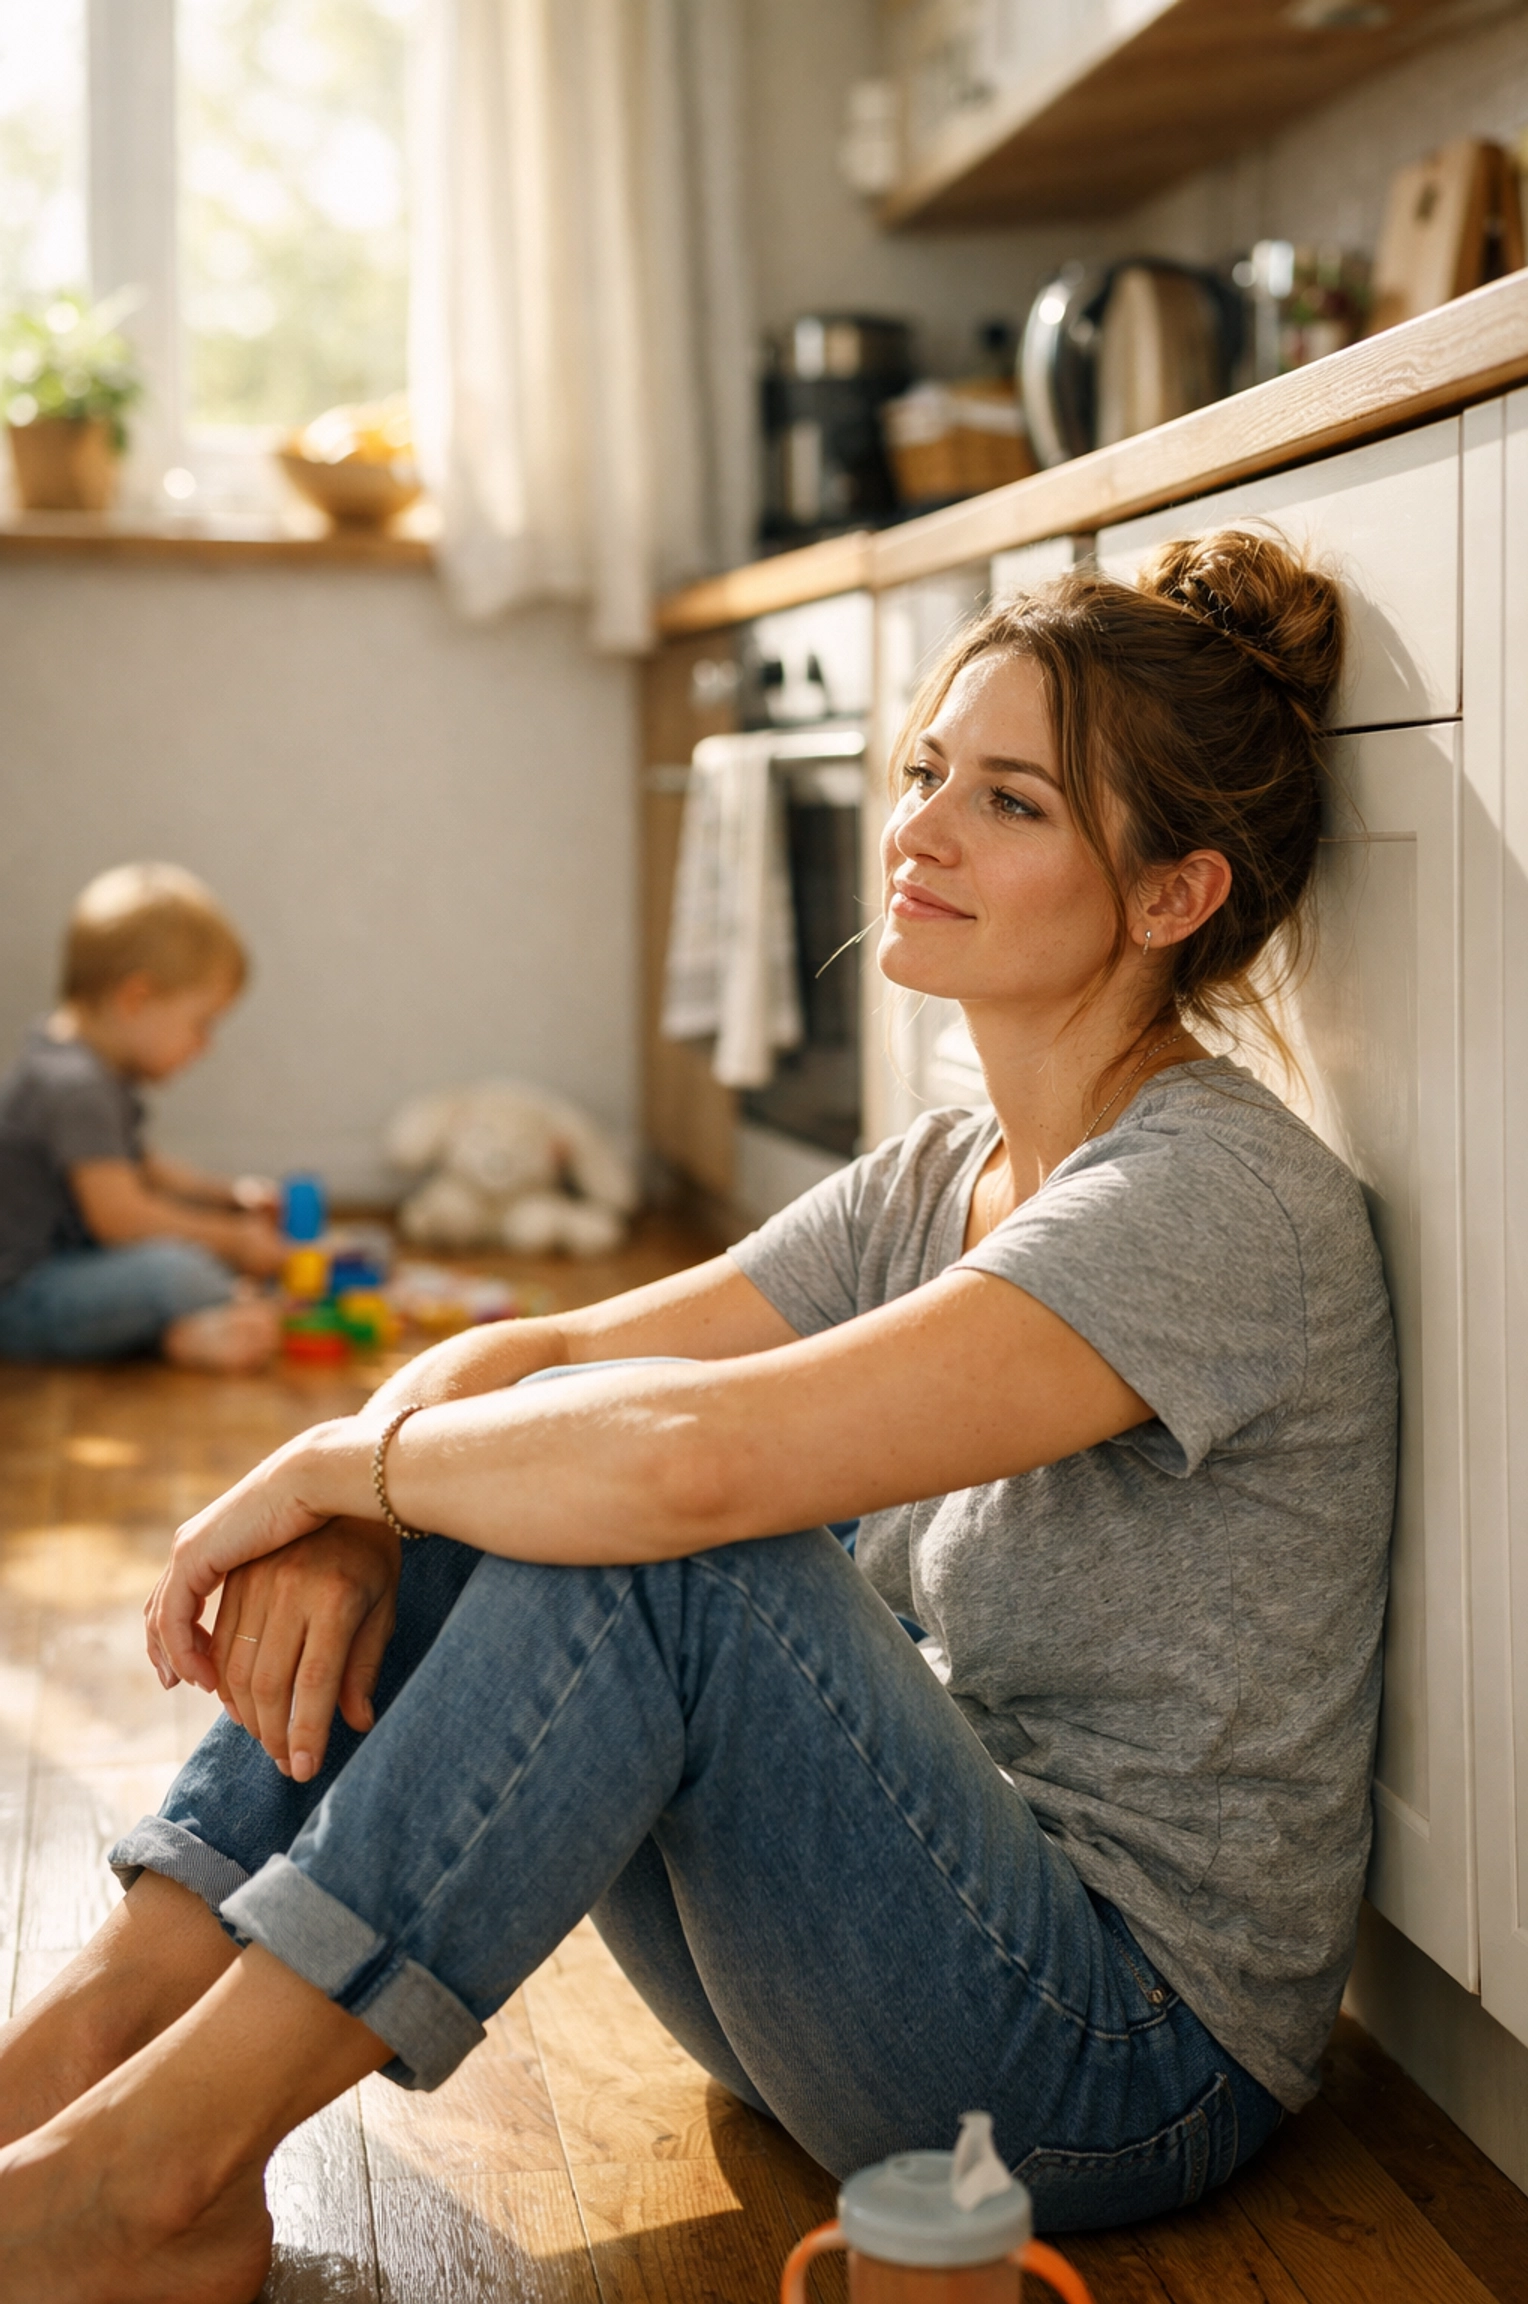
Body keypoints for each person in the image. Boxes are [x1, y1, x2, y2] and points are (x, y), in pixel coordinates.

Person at [0, 531, 1397, 2303]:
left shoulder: (1213, 1202)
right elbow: (548, 1349)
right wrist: (368, 1507)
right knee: (522, 1471)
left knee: (668, 1539)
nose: (920, 828)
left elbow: (685, 1463)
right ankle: (66, 2062)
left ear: (1173, 894)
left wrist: (334, 1463)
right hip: (866, 1959)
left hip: (1106, 2060)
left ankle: (144, 2180)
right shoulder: (947, 1166)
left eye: (1012, 801)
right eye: (924, 772)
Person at [0, 863, 284, 1373]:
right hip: (21, 1299)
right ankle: (181, 1336)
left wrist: (225, 1196)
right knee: (175, 1273)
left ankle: (189, 1320)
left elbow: (144, 1169)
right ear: (137, 999)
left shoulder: (74, 1060)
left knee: (180, 1261)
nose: (205, 1045)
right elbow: (123, 1219)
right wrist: (233, 1241)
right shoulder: (76, 1086)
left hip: (56, 1276)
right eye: (200, 1024)